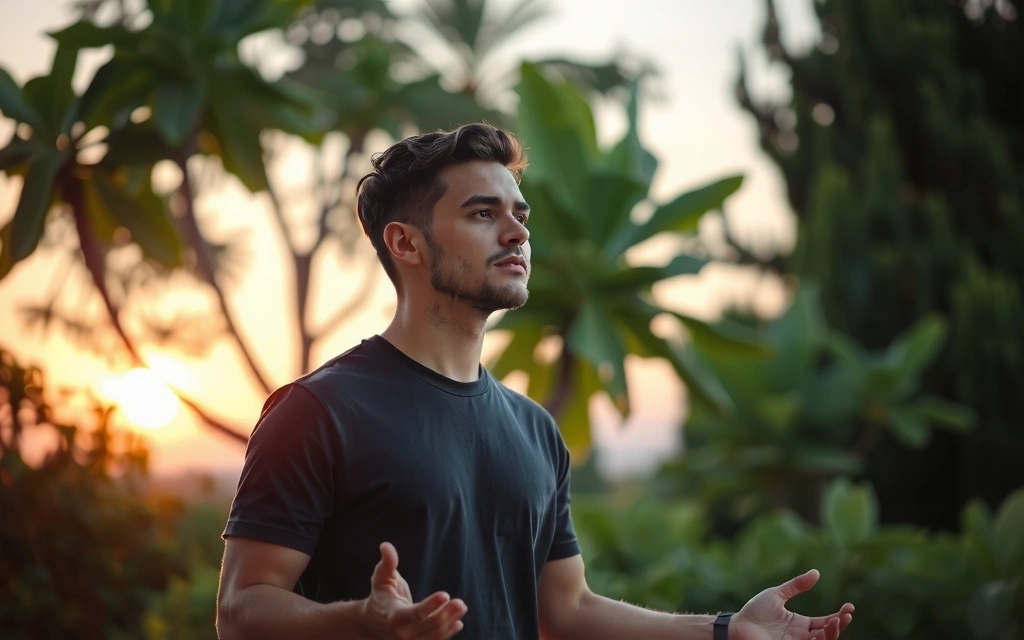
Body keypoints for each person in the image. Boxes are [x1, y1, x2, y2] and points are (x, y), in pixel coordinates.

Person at [215, 123, 855, 640]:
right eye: (482, 213)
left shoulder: (534, 430)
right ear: (405, 244)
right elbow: (241, 610)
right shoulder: (318, 410)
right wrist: (360, 621)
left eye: (519, 214)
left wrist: (725, 631)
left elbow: (567, 610)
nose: (517, 231)